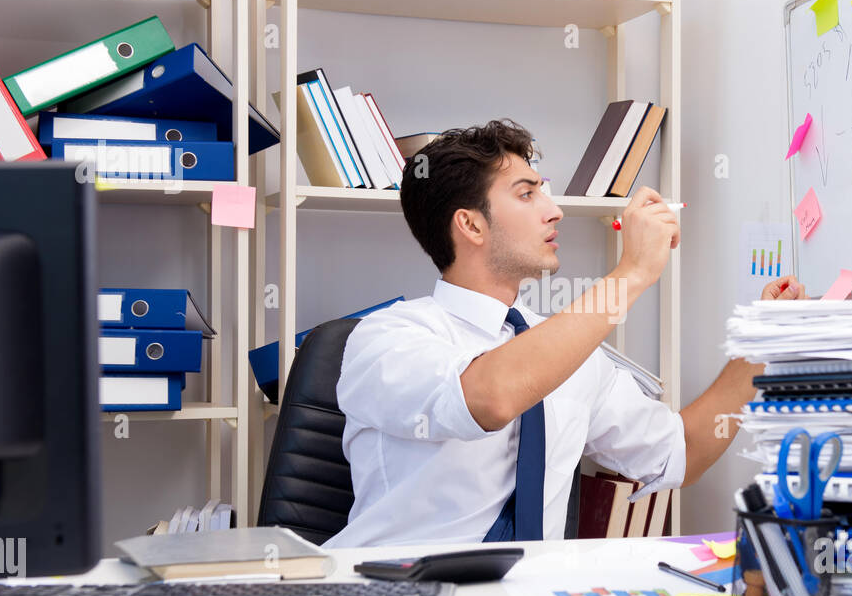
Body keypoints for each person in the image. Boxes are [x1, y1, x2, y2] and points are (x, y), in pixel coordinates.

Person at [325, 119, 805, 547]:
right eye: (527, 193)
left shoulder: (569, 352)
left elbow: (682, 453)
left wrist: (760, 342)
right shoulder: (387, 338)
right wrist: (632, 273)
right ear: (470, 225)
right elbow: (489, 397)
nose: (554, 211)